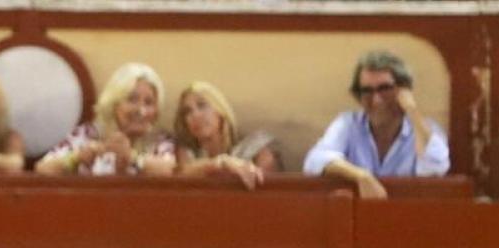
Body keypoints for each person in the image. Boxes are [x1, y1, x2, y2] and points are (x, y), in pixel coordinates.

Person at [303, 49, 449, 200]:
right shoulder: (349, 124)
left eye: (384, 89)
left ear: (403, 89)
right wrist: (361, 176)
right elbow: (316, 159)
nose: (376, 99)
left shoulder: (424, 128)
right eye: (367, 91)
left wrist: (411, 109)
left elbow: (435, 168)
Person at [37, 62, 176, 177]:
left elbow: (168, 170)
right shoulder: (88, 133)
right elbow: (43, 168)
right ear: (114, 104)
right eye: (132, 100)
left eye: (149, 103)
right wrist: (77, 158)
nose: (141, 110)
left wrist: (132, 158)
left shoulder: (159, 140)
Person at [173, 81, 282, 190]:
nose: (195, 115)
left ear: (220, 111)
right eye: (187, 112)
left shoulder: (255, 146)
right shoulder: (187, 152)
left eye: (202, 105)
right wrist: (221, 163)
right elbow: (180, 175)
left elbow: (265, 185)